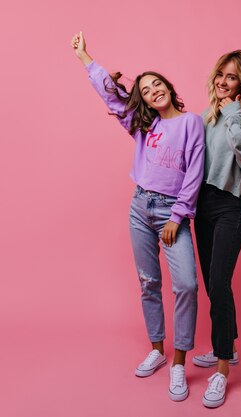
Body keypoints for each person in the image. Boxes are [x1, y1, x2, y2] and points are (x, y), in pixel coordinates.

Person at [70, 32, 205, 402]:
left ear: (168, 87)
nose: (153, 91)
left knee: (186, 285)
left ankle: (179, 362)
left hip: (170, 213)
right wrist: (86, 58)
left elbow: (194, 173)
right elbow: (112, 97)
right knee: (148, 282)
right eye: (145, 90)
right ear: (143, 99)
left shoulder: (190, 123)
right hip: (139, 208)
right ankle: (158, 350)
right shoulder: (146, 127)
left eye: (157, 84)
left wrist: (178, 215)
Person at [191, 50, 241, 408]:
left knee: (219, 283)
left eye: (231, 77)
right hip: (201, 206)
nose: (223, 81)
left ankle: (221, 369)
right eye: (220, 74)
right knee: (211, 282)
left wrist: (235, 114)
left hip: (230, 207)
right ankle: (229, 347)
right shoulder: (207, 116)